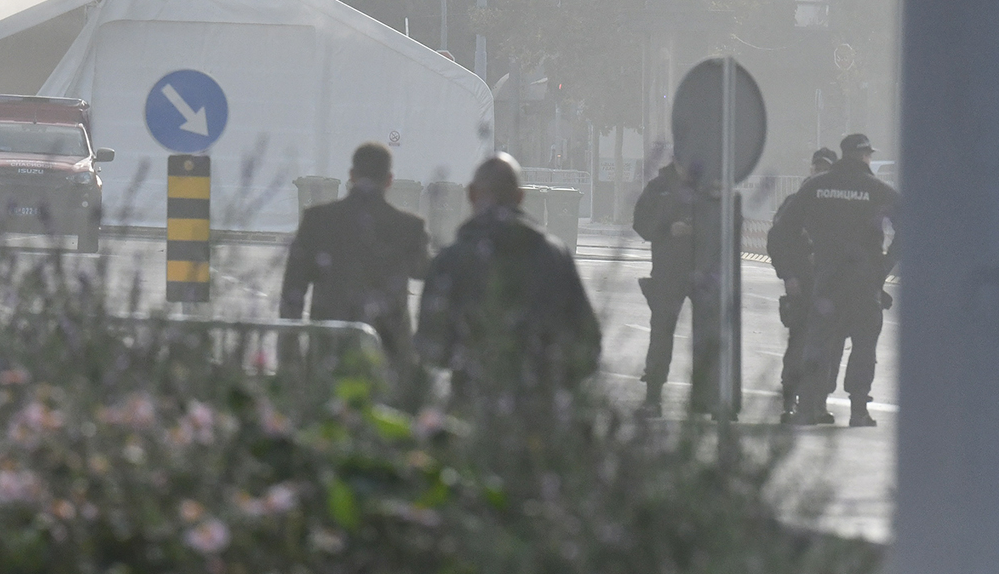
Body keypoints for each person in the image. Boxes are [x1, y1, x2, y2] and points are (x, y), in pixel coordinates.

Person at [415, 154, 600, 409]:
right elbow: (587, 342)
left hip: (472, 407)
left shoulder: (451, 261)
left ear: (471, 195)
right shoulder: (553, 256)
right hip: (538, 411)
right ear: (521, 197)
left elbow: (430, 347)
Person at [277, 141, 431, 361]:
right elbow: (423, 271)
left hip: (328, 346)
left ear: (352, 175)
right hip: (388, 350)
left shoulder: (318, 220)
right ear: (389, 180)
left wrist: (289, 354)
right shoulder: (408, 227)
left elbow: (292, 291)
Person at [796, 132, 900, 427]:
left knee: (818, 342)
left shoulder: (817, 186)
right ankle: (858, 410)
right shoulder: (877, 189)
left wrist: (807, 263)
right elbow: (909, 225)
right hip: (865, 281)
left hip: (828, 279)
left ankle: (808, 408)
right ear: (865, 156)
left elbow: (785, 227)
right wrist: (884, 266)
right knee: (864, 345)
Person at [631, 154, 715, 415]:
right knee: (661, 333)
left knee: (706, 336)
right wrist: (668, 229)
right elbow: (641, 223)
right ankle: (653, 396)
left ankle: (701, 397)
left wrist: (697, 230)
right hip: (668, 270)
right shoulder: (658, 187)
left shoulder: (707, 187)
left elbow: (722, 224)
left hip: (702, 270)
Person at [766, 147, 838, 420]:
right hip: (802, 284)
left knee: (828, 347)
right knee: (798, 344)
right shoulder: (795, 202)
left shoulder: (836, 205)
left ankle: (817, 402)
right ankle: (789, 401)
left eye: (825, 168)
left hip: (828, 285)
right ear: (810, 169)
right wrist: (788, 275)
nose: (819, 172)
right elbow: (777, 241)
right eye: (816, 167)